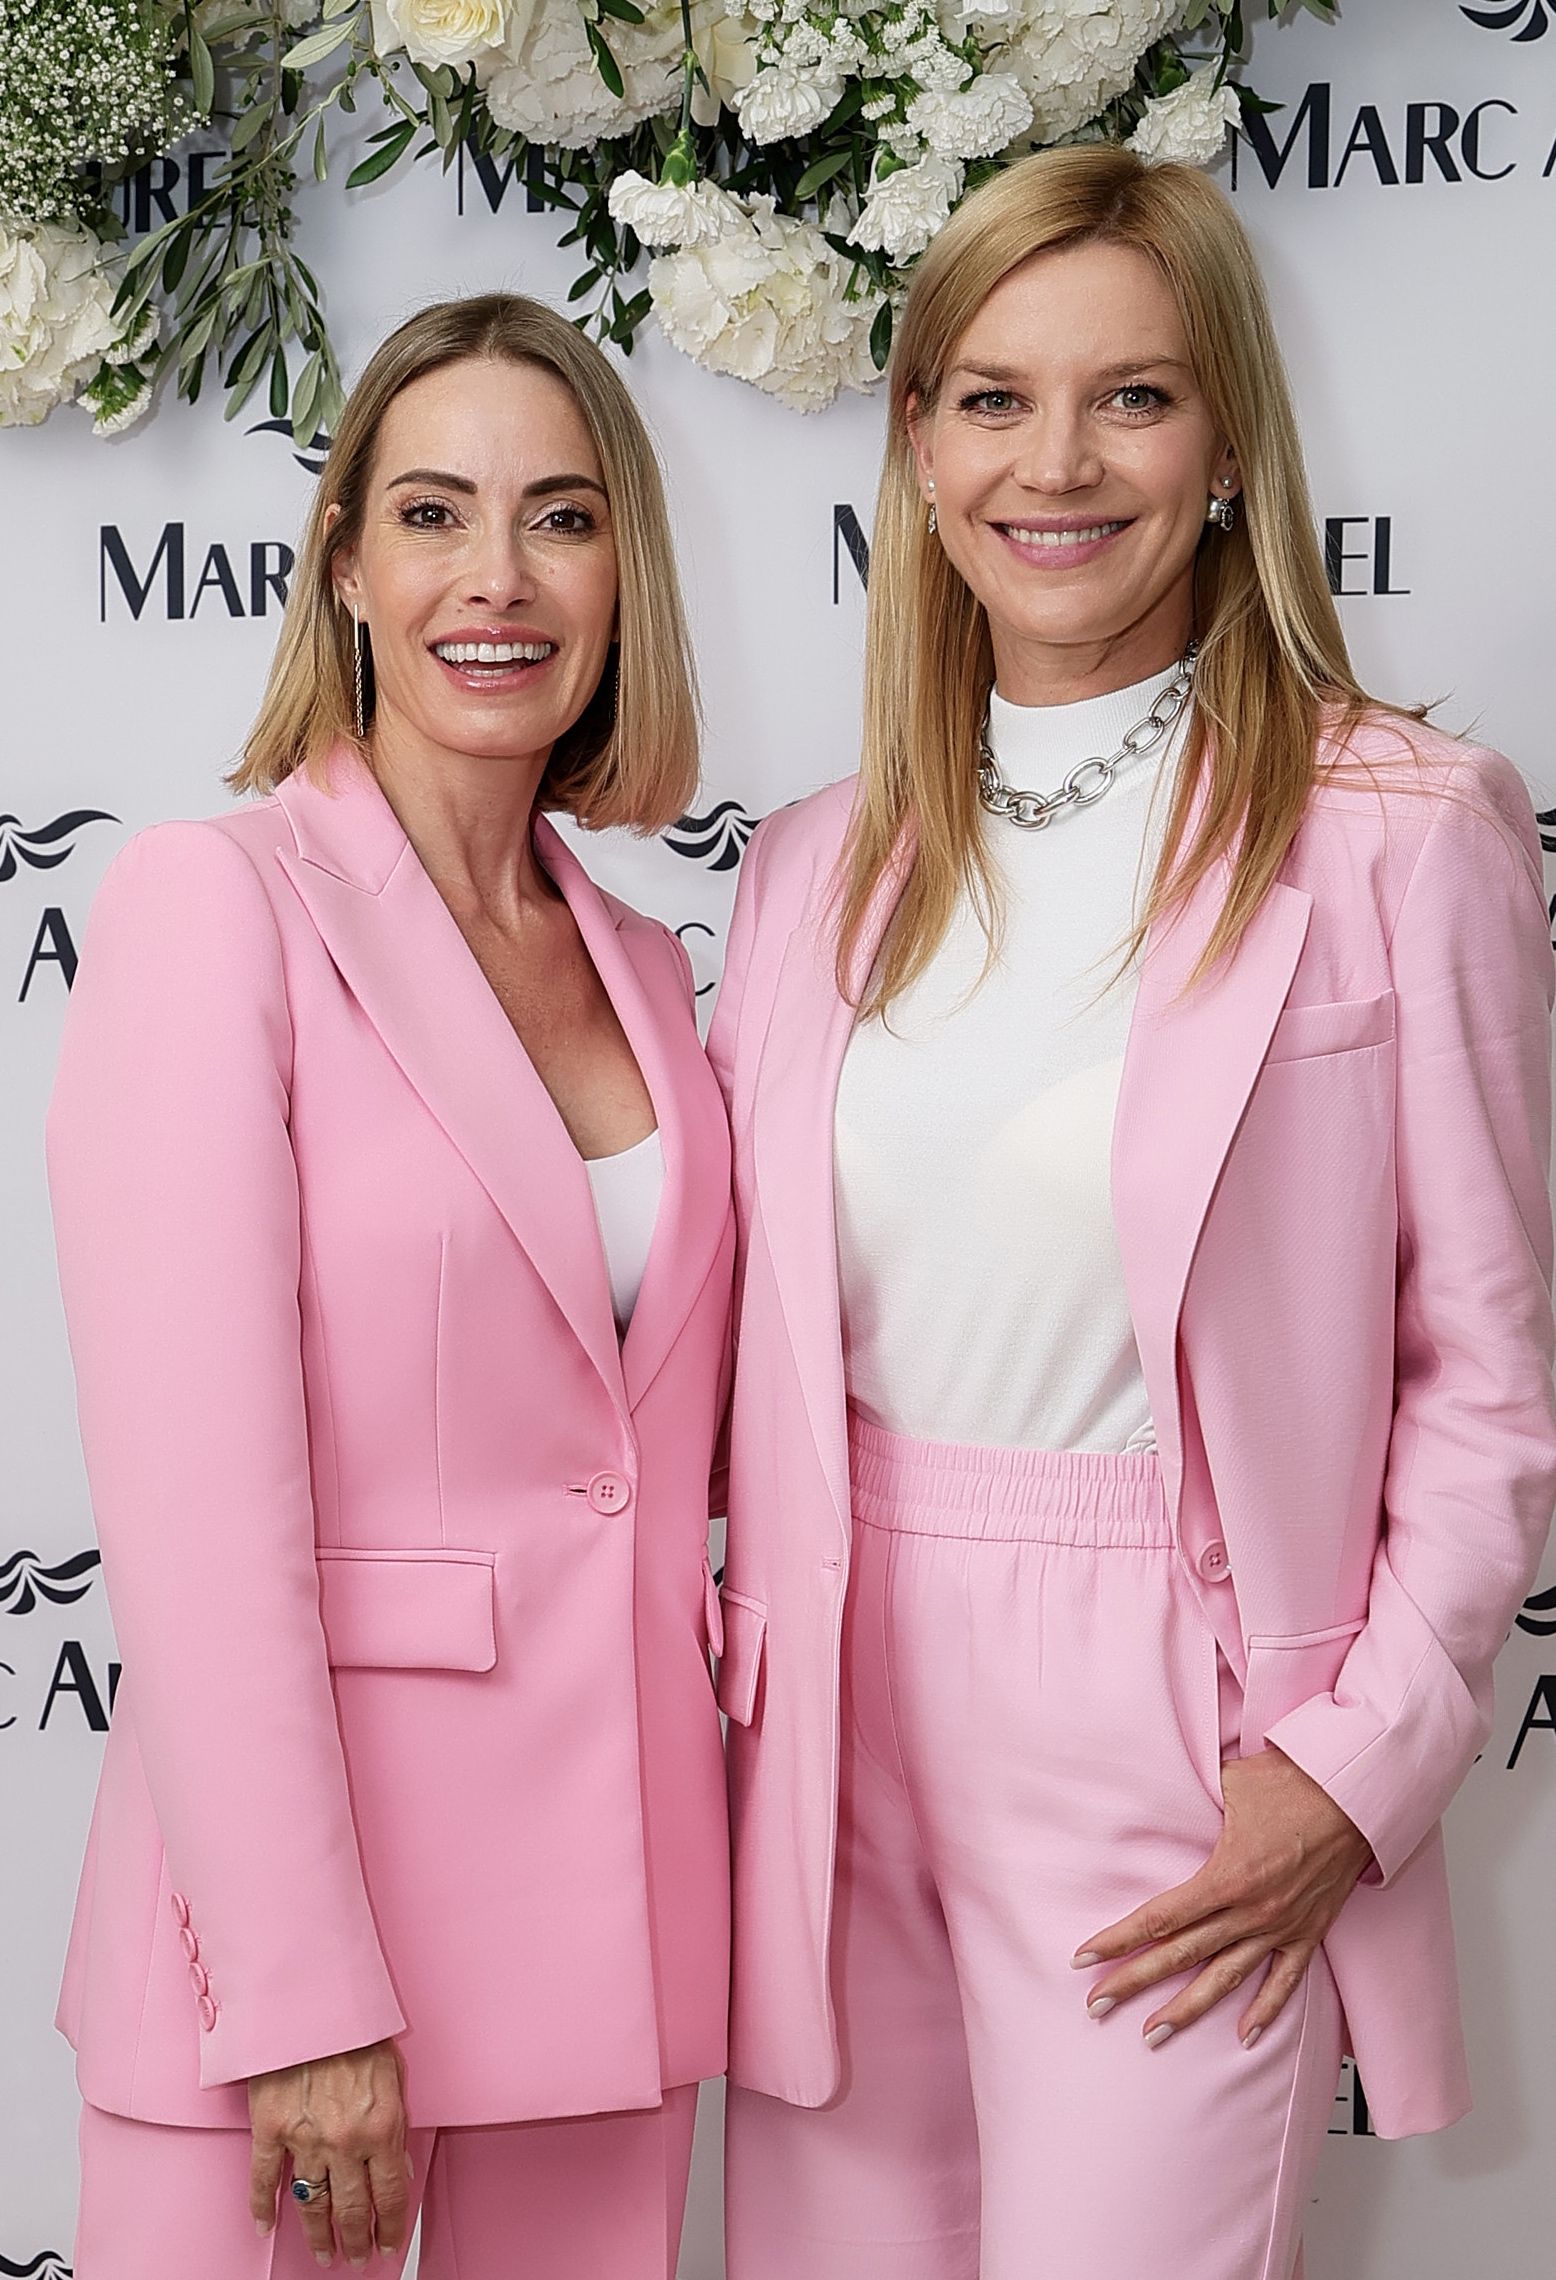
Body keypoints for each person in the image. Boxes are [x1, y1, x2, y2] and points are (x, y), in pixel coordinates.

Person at [708, 146, 1556, 2280]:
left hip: (1170, 1711)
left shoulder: (1401, 826)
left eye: (1135, 397)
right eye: (993, 398)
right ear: (918, 447)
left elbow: (1488, 1373)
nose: (1057, 463)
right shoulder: (809, 864)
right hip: (826, 1707)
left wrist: (1351, 1766)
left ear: (1230, 443)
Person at [48, 293, 734, 2279]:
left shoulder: (646, 963)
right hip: (290, 1965)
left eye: (560, 517)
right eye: (433, 514)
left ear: (623, 571)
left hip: (609, 1930)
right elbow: (197, 1519)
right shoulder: (218, 905)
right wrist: (300, 1996)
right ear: (345, 564)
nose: (495, 579)